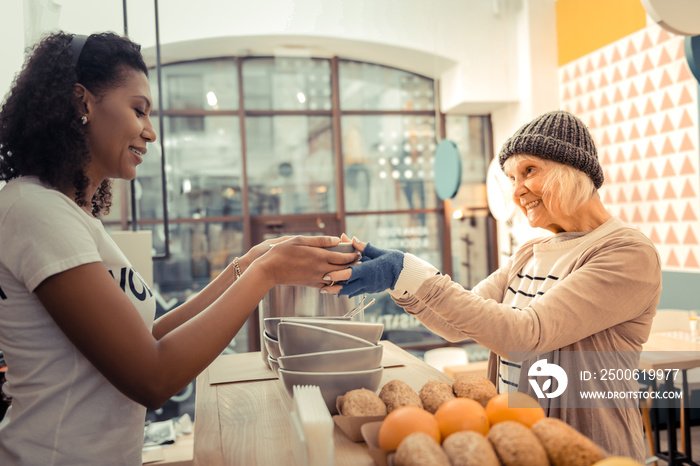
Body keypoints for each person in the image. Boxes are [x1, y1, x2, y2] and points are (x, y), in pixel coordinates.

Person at [0, 32, 358, 465]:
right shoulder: (34, 211)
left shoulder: (72, 216)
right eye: (139, 110)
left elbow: (152, 334)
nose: (150, 132)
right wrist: (269, 273)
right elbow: (153, 375)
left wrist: (247, 265)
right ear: (83, 103)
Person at [324, 110, 662, 461]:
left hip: (589, 449)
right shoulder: (530, 253)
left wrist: (409, 271)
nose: (517, 191)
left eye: (529, 171)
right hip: (518, 444)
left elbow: (526, 334)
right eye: (512, 177)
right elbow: (453, 325)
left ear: (571, 168)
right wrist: (401, 282)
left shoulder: (626, 252)